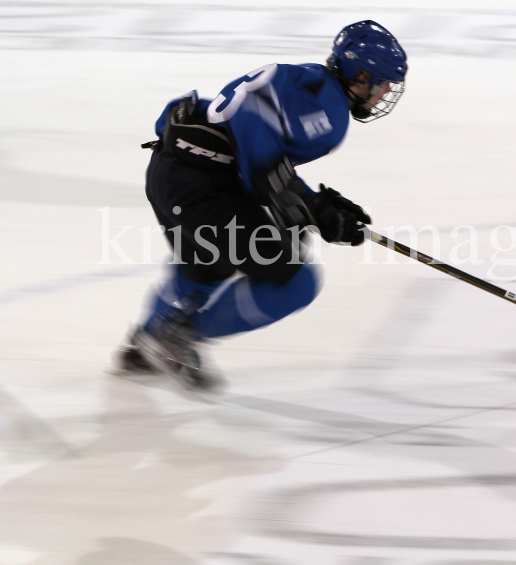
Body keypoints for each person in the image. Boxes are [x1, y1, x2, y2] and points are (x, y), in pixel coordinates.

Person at [115, 21, 408, 391]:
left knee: (206, 267)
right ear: (360, 74)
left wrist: (314, 204)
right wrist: (308, 206)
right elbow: (255, 138)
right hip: (202, 189)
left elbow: (253, 146)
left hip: (174, 174)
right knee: (294, 282)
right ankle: (176, 336)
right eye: (381, 83)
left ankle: (146, 344)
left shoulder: (313, 81)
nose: (383, 93)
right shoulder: (328, 110)